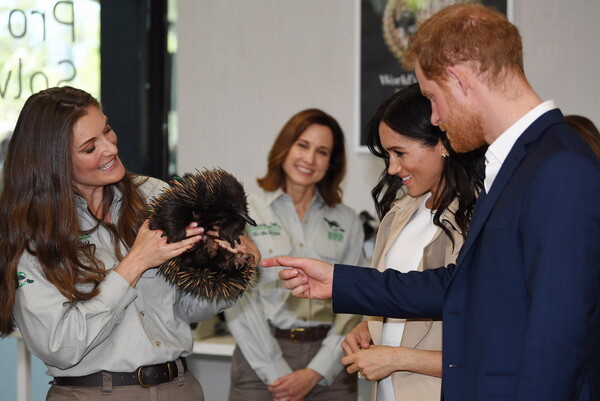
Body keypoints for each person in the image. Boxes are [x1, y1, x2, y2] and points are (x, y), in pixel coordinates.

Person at [263, 4, 600, 401]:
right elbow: (460, 284)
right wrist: (339, 280)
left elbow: (559, 339)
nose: (436, 117)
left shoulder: (559, 165)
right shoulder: (521, 161)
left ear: (459, 80)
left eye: (432, 97)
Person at [0, 86, 259, 401]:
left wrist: (231, 266)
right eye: (89, 147)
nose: (110, 148)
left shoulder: (153, 196)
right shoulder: (32, 233)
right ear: (55, 164)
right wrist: (135, 262)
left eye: (107, 130)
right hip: (95, 393)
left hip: (179, 387)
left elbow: (187, 307)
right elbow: (58, 347)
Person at [341, 83, 485, 401]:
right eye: (387, 155)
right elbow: (395, 298)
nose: (392, 169)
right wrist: (371, 329)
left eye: (400, 153)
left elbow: (484, 351)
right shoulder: (400, 211)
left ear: (443, 144)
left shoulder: (479, 219)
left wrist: (398, 358)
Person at [224, 108, 365, 401]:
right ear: (285, 147)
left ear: (331, 162)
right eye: (302, 145)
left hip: (331, 358)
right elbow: (237, 297)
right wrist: (275, 370)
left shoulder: (348, 221)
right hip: (260, 355)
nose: (310, 159)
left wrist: (318, 371)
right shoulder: (245, 212)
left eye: (322, 151)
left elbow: (355, 297)